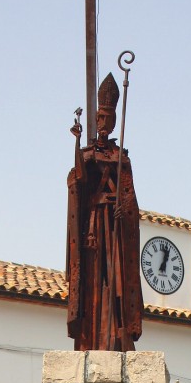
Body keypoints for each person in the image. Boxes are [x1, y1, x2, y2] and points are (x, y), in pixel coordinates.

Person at [66, 72, 143, 352]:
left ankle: (116, 330)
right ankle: (91, 333)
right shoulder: (87, 155)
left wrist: (125, 208)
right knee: (92, 275)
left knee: (116, 277)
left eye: (108, 120)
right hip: (94, 223)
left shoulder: (121, 158)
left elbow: (130, 195)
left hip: (114, 225)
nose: (103, 124)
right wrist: (76, 144)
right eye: (99, 118)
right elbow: (78, 181)